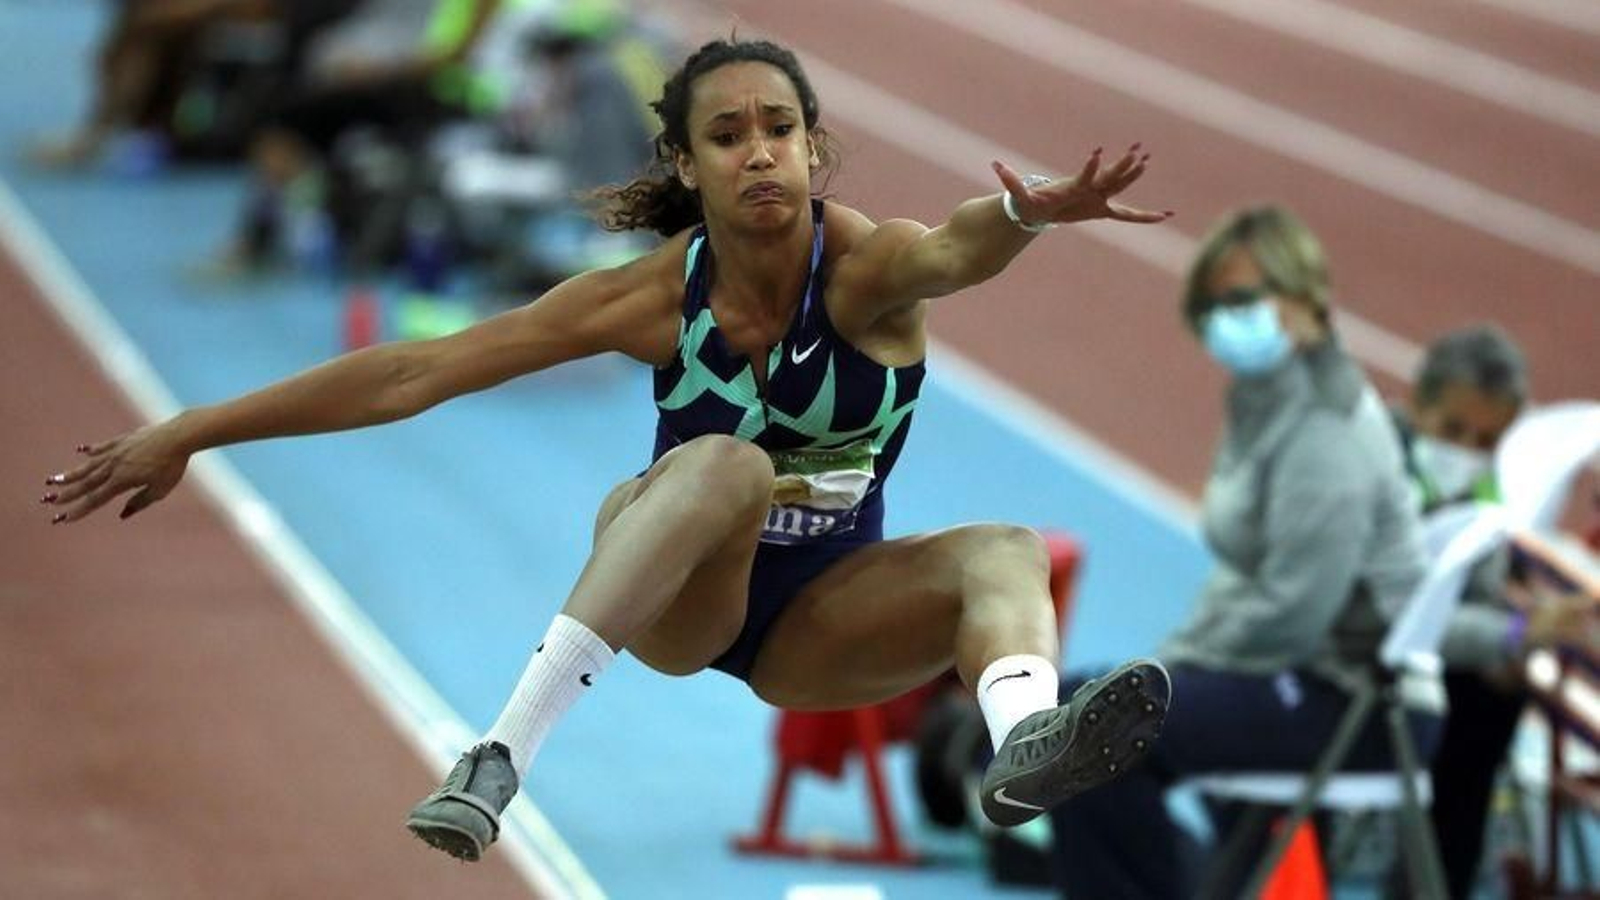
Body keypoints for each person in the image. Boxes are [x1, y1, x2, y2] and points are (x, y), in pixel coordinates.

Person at [42, 37, 1174, 863]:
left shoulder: (869, 272)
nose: (759, 154)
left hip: (823, 622)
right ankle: (498, 756)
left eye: (779, 130)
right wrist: (193, 428)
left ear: (814, 146)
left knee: (1007, 549)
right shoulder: (649, 299)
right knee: (726, 464)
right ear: (685, 164)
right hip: (686, 592)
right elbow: (412, 372)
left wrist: (1029, 213)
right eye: (726, 137)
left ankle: (1026, 744)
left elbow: (957, 249)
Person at [1047, 205, 1442, 899]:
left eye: (1241, 299)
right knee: (1065, 710)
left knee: (1092, 735)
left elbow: (1294, 611)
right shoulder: (1264, 398)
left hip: (1357, 700)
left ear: (1306, 297)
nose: (1223, 322)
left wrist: (1173, 663)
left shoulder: (1325, 430)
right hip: (1290, 671)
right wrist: (1170, 661)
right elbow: (1248, 582)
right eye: (1211, 308)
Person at [1394, 325, 1597, 899]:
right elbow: (1404, 616)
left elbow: (1478, 586)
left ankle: (1435, 878)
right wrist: (1515, 632)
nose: (1468, 451)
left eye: (1488, 439)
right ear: (1418, 404)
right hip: (1358, 660)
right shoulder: (1379, 475)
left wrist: (1516, 629)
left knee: (1495, 697)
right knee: (1475, 711)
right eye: (1454, 429)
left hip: (1428, 654)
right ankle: (1433, 878)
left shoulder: (1493, 484)